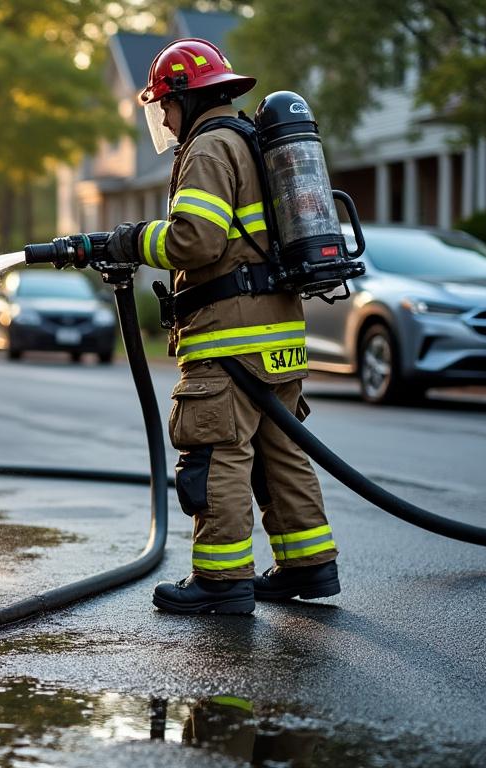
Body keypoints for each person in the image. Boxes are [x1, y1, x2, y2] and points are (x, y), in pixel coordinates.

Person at [103, 39, 339, 614]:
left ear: (187, 95)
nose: (163, 117)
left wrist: (133, 240)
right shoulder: (251, 143)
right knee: (280, 451)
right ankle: (308, 565)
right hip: (279, 336)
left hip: (232, 339)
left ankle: (221, 580)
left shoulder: (209, 149)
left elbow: (196, 240)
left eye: (165, 104)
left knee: (218, 452)